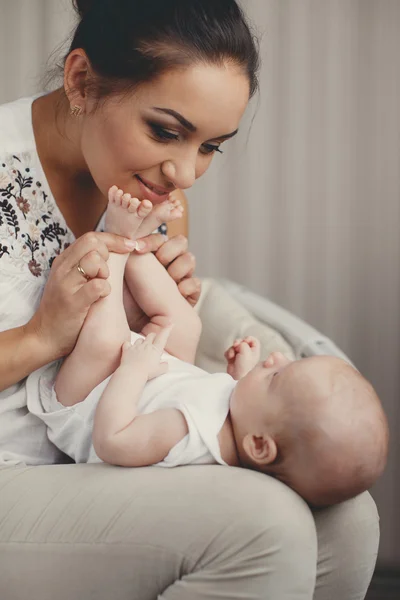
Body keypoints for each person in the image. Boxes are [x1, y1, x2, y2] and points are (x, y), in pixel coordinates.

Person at [0, 1, 381, 598]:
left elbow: (161, 349)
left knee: (348, 520)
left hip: (98, 462)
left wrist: (165, 302)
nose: (185, 173)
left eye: (211, 146)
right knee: (266, 527)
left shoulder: (157, 193)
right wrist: (41, 337)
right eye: (166, 131)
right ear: (80, 80)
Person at [28, 185, 388, 510]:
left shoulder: (188, 434)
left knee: (107, 342)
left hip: (86, 401)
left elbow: (112, 440)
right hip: (153, 373)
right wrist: (242, 376)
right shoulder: (246, 424)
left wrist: (133, 370)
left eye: (276, 376)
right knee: (186, 325)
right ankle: (138, 243)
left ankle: (115, 239)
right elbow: (234, 407)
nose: (276, 358)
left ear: (259, 446)